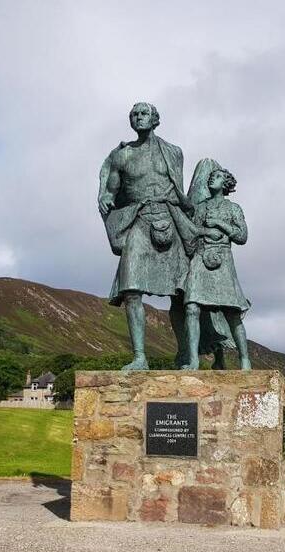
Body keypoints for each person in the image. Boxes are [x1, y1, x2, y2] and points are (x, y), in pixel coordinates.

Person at [98, 102, 193, 370]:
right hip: (139, 220)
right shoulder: (122, 156)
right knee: (131, 290)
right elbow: (111, 190)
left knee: (181, 293)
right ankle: (140, 357)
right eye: (134, 115)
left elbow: (179, 189)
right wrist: (105, 197)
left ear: (155, 120)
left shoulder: (174, 153)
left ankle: (185, 353)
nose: (139, 118)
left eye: (144, 114)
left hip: (169, 220)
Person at [182, 167, 251, 370]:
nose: (213, 178)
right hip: (201, 256)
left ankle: (244, 359)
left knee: (232, 312)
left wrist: (219, 223)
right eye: (211, 176)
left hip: (223, 258)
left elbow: (242, 237)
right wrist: (205, 231)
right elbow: (192, 231)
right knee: (192, 307)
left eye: (218, 176)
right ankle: (193, 359)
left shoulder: (233, 208)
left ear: (226, 183)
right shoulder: (201, 208)